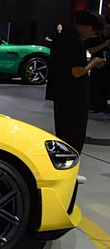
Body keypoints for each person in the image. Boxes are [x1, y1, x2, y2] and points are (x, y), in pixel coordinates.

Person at [45, 11, 106, 152]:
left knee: (63, 132)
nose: (92, 35)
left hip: (59, 91)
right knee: (75, 135)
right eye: (94, 32)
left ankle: (63, 161)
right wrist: (94, 63)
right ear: (88, 27)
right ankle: (72, 162)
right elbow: (76, 72)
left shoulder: (61, 37)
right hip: (74, 94)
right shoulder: (75, 41)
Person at [85, 16, 110, 118]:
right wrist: (104, 45)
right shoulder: (95, 37)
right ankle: (97, 107)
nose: (107, 31)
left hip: (108, 66)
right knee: (96, 87)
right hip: (97, 66)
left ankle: (104, 106)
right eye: (106, 28)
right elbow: (91, 51)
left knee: (106, 87)